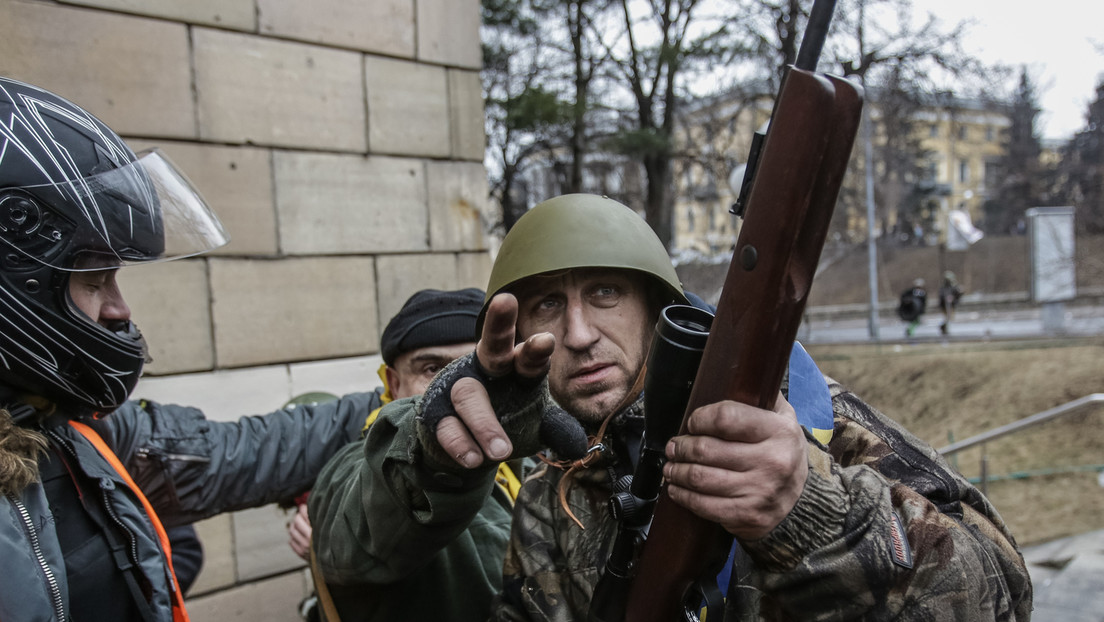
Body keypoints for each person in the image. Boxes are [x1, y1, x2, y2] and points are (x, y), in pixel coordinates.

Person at [310, 194, 1032, 621]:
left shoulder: (801, 424)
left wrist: (811, 513)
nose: (580, 334)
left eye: (603, 294)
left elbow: (999, 597)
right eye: (548, 305)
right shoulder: (550, 493)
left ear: (657, 307)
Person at [0, 76, 370, 621]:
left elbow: (238, 452)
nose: (118, 309)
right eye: (95, 279)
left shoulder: (64, 427)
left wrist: (406, 405)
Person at [284, 287, 483, 620]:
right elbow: (367, 508)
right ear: (393, 383)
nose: (459, 387)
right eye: (433, 369)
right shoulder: (366, 462)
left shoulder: (532, 452)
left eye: (474, 366)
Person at [939, 271, 965, 335]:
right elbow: (941, 295)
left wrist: (954, 297)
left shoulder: (954, 286)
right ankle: (945, 329)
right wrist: (945, 299)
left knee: (950, 318)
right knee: (948, 317)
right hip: (945, 305)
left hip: (952, 305)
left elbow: (958, 294)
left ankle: (944, 328)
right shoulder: (944, 287)